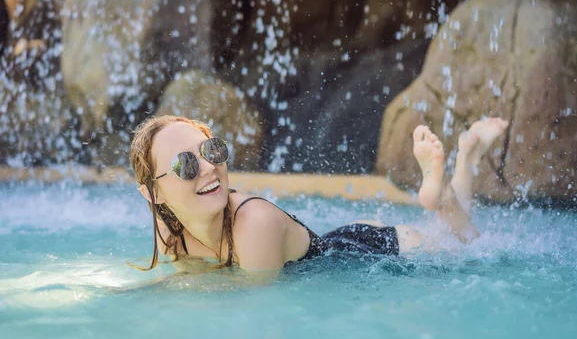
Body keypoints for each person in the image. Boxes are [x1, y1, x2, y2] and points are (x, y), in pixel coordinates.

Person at [129, 115, 508, 276]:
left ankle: (442, 193)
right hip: (338, 245)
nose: (209, 167)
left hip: (379, 250)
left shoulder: (253, 223)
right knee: (455, 236)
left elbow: (251, 309)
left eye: (212, 150)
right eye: (186, 165)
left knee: (475, 256)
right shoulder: (170, 229)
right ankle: (468, 156)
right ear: (154, 194)